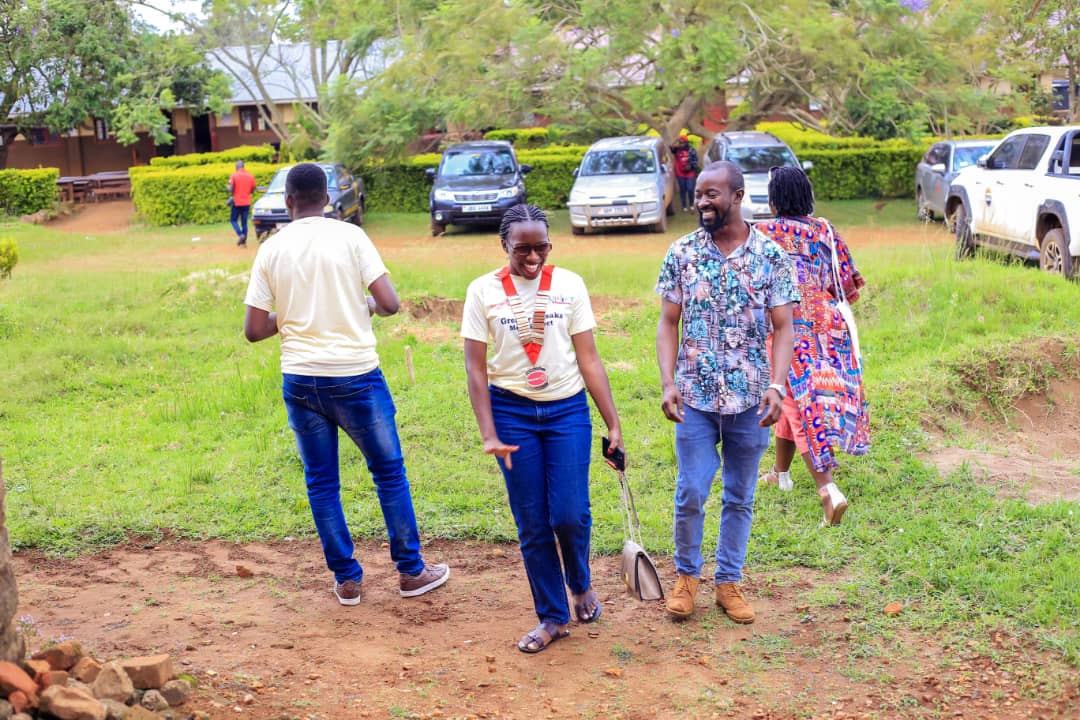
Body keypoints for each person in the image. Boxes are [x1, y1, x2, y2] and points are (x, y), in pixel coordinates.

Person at [243, 163, 449, 606]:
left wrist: (296, 315)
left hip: (300, 379)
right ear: (330, 199)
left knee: (321, 481)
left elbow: (255, 329)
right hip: (356, 376)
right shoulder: (351, 236)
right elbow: (391, 303)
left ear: (288, 201)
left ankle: (348, 579)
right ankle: (411, 572)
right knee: (388, 472)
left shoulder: (271, 249)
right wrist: (364, 305)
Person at [462, 203, 623, 654]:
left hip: (566, 411)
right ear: (504, 246)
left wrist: (612, 422)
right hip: (511, 412)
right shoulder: (482, 292)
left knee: (570, 515)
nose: (533, 258)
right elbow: (476, 369)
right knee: (533, 523)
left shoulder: (569, 285)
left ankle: (580, 583)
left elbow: (588, 358)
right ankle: (551, 616)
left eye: (541, 248)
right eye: (522, 250)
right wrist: (488, 431)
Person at [655, 160, 799, 623]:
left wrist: (777, 385)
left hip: (752, 401)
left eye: (712, 194)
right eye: (698, 194)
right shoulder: (681, 253)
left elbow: (784, 326)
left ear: (737, 195)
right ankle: (686, 577)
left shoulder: (771, 257)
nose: (701, 202)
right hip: (694, 396)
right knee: (692, 490)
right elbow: (667, 322)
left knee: (740, 495)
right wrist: (667, 382)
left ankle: (729, 582)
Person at [757, 166, 869, 526]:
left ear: (773, 201)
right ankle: (780, 473)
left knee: (797, 407)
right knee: (796, 403)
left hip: (788, 328)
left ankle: (828, 490)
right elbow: (847, 285)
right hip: (829, 325)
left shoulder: (761, 234)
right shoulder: (825, 230)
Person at [228, 160, 257, 247]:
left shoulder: (234, 176)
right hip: (247, 202)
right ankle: (244, 243)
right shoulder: (250, 176)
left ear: (236, 167)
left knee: (233, 220)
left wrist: (229, 189)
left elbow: (231, 188)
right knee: (244, 222)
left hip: (237, 202)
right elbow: (253, 188)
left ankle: (241, 235)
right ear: (243, 166)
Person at [671, 135, 699, 212]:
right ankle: (684, 206)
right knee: (683, 189)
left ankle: (691, 204)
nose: (681, 144)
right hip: (680, 173)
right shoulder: (677, 150)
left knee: (690, 189)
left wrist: (691, 166)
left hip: (690, 173)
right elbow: (671, 146)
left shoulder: (691, 150)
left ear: (686, 142)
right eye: (680, 142)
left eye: (683, 142)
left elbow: (696, 161)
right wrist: (676, 139)